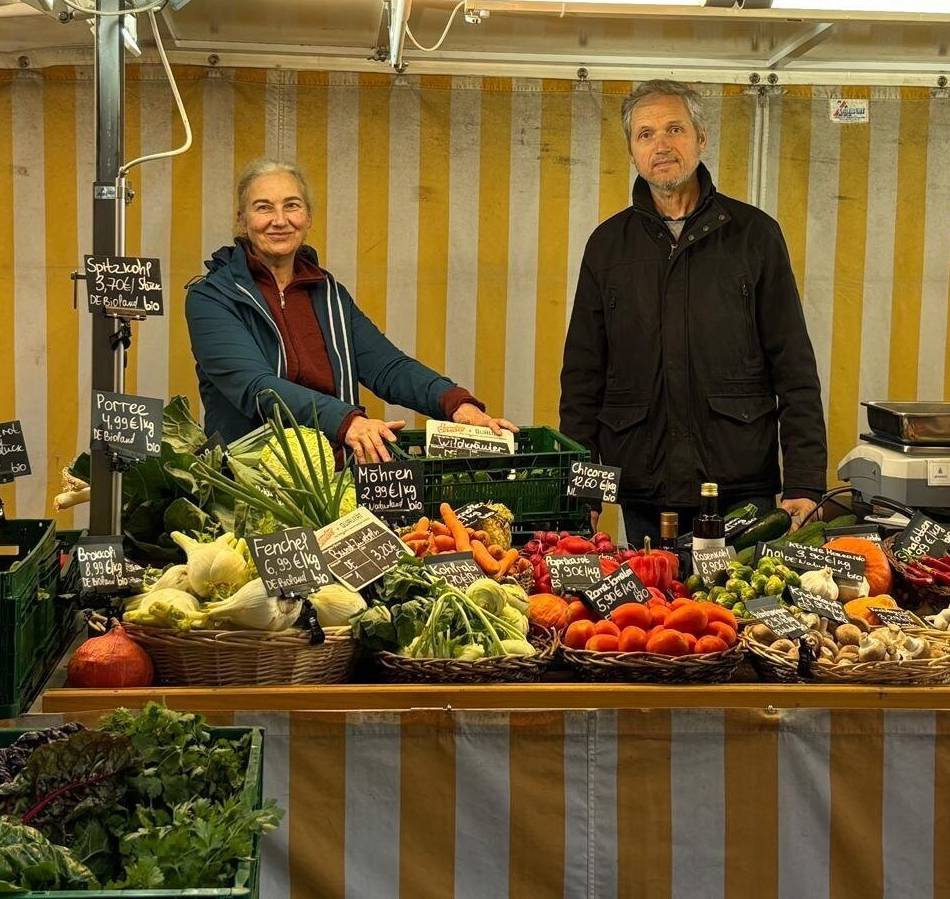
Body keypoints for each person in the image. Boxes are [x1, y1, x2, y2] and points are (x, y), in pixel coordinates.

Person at [559, 80, 826, 545]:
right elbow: (583, 377)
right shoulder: (607, 246)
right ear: (631, 151)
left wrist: (803, 480)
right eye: (645, 135)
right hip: (644, 484)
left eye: (674, 129)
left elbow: (794, 365)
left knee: (741, 611)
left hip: (741, 481)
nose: (660, 145)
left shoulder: (755, 236)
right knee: (659, 610)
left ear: (701, 139)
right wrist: (583, 491)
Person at [186, 158, 515, 462]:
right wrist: (346, 422)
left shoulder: (328, 293)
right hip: (249, 479)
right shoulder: (213, 297)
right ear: (242, 220)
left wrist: (455, 403)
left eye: (292, 206)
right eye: (263, 208)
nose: (279, 220)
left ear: (308, 217)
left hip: (334, 476)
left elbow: (387, 366)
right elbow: (256, 387)